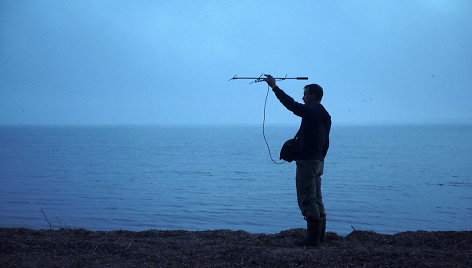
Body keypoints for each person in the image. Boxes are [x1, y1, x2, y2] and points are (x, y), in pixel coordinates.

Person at [263, 74, 331, 247]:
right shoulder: (324, 114)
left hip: (308, 162)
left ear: (313, 96)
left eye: (306, 94)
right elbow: (326, 141)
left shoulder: (312, 112)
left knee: (307, 198)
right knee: (317, 198)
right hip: (318, 161)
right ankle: (320, 237)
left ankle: (312, 240)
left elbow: (291, 105)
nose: (303, 97)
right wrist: (321, 157)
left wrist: (274, 87)